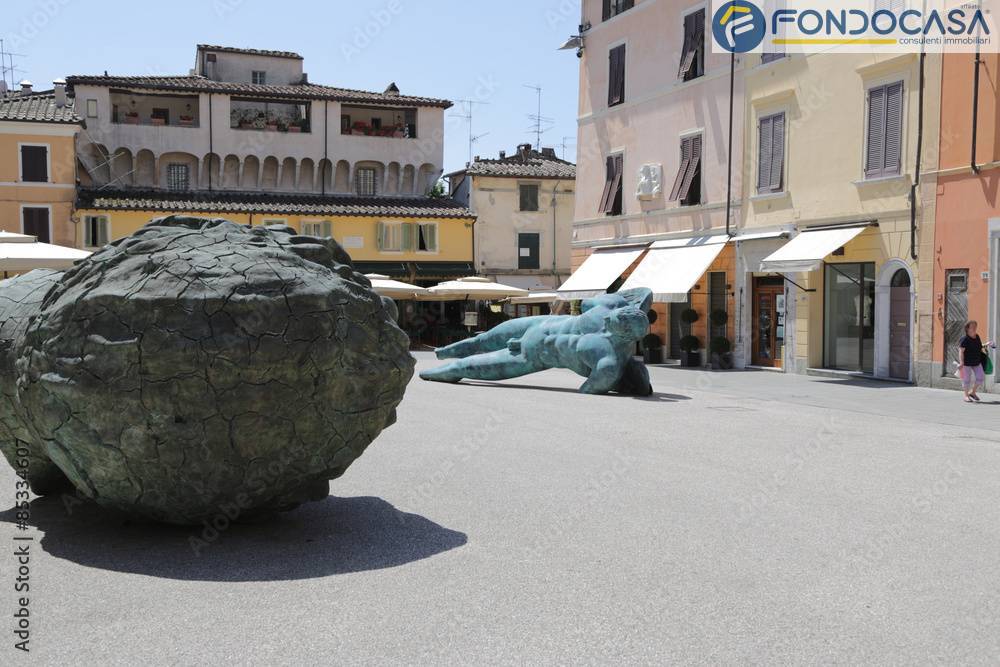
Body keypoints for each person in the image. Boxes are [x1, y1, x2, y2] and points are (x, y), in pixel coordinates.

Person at [958, 320, 993, 403]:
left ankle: (972, 392)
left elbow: (979, 347)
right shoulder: (964, 339)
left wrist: (987, 344)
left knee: (980, 377)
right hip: (966, 363)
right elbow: (961, 351)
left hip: (977, 361)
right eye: (972, 326)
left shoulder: (977, 336)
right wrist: (961, 362)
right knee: (966, 379)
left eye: (975, 326)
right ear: (967, 329)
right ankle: (966, 395)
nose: (974, 328)